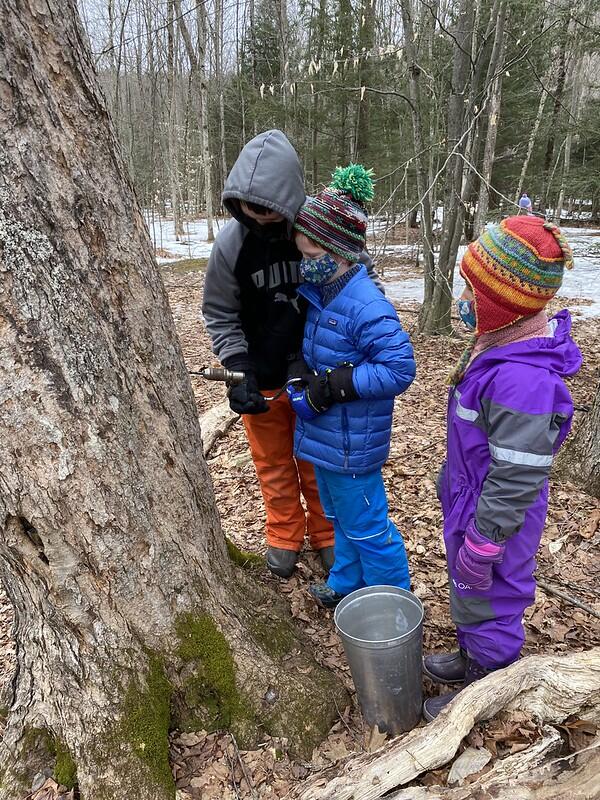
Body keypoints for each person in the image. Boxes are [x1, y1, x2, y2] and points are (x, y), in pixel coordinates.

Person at [423, 215, 582, 720]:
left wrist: (487, 538)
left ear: (501, 304)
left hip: (498, 520)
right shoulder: (498, 352)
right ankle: (473, 654)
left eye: (470, 292)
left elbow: (516, 475)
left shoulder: (523, 380)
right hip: (475, 502)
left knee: (494, 595)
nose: (461, 301)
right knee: (470, 591)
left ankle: (487, 682)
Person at [202, 131, 379, 579]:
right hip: (259, 376)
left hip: (315, 377)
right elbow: (220, 313)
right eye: (248, 209)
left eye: (267, 212)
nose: (257, 219)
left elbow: (357, 283)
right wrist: (236, 367)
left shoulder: (315, 234)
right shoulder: (230, 245)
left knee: (315, 461)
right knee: (273, 464)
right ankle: (283, 534)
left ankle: (326, 535)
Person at [287, 164, 416, 609]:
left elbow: (399, 368)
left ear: (340, 252)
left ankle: (392, 602)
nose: (306, 264)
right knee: (341, 517)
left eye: (311, 255)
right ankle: (345, 582)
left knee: (369, 526)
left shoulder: (365, 303)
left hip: (352, 442)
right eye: (302, 254)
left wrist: (339, 385)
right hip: (327, 437)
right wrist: (303, 368)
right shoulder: (324, 294)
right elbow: (326, 351)